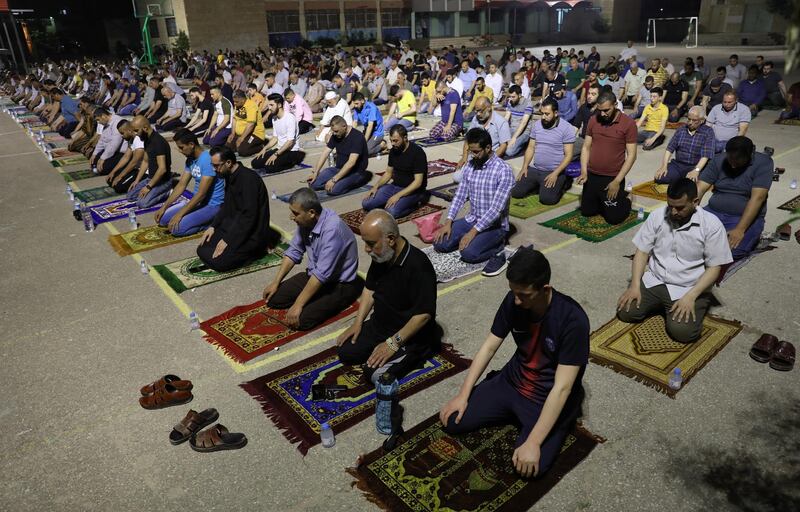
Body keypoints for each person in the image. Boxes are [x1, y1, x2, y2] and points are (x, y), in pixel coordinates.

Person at [440, 247, 589, 478]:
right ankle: (503, 404)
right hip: (512, 382)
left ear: (545, 289)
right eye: (513, 292)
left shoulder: (572, 320)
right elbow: (489, 346)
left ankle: (564, 417)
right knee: (452, 421)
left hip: (544, 397)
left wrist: (534, 442)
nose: (516, 300)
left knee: (529, 467)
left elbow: (562, 387)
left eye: (524, 295)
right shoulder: (514, 300)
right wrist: (463, 394)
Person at [336, 208, 440, 391]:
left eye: (370, 243)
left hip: (409, 336)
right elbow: (369, 288)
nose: (366, 250)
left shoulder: (418, 265)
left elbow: (424, 315)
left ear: (390, 239)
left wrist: (393, 343)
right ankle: (380, 346)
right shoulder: (382, 255)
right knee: (345, 352)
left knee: (374, 374)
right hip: (381, 326)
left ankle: (419, 353)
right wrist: (358, 323)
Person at [617, 178, 732, 343]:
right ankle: (661, 305)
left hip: (688, 287)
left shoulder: (711, 225)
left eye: (680, 207)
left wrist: (691, 296)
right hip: (655, 280)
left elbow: (715, 268)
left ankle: (694, 303)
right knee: (626, 312)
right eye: (670, 206)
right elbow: (642, 252)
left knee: (683, 333)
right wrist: (635, 285)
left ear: (696, 202)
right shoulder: (658, 216)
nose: (673, 212)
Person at [263, 188, 363, 330]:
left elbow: (322, 274)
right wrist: (275, 282)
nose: (291, 217)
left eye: (295, 213)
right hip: (316, 275)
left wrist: (298, 304)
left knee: (301, 321)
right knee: (274, 300)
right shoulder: (305, 222)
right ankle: (314, 296)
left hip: (339, 284)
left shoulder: (332, 229)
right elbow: (294, 252)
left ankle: (343, 297)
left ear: (311, 213)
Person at [434, 128, 514, 275]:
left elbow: (496, 210)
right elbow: (460, 195)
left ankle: (498, 248)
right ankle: (475, 240)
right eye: (471, 151)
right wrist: (448, 221)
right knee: (440, 243)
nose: (473, 156)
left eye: (476, 151)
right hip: (472, 219)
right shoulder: (470, 166)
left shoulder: (504, 171)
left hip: (494, 226)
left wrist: (472, 233)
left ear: (488, 148)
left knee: (468, 254)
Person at [197, 146, 273, 272]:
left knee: (219, 262)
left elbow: (249, 217)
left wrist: (228, 240)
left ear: (228, 162)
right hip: (234, 226)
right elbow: (226, 206)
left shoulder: (249, 180)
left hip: (251, 232)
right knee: (202, 248)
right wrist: (213, 226)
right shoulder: (229, 175)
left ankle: (256, 252)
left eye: (217, 166)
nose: (214, 170)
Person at [697, 136, 772, 260]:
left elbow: (758, 198)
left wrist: (739, 229)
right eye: (730, 159)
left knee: (729, 254)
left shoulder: (763, 162)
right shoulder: (719, 160)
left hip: (743, 218)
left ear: (749, 155)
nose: (732, 165)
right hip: (713, 212)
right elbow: (700, 187)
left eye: (738, 160)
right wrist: (692, 214)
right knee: (688, 243)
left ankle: (754, 236)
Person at [578, 91, 637, 225]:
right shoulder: (593, 120)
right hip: (592, 175)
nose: (603, 114)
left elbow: (632, 155)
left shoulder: (628, 124)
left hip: (612, 177)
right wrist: (584, 171)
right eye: (600, 110)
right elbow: (586, 147)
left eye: (606, 110)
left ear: (615, 105)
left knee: (614, 219)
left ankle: (627, 197)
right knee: (587, 212)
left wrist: (617, 181)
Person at [153, 129, 225, 236]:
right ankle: (194, 218)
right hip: (197, 202)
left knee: (176, 229)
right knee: (163, 220)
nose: (180, 151)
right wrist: (165, 206)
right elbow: (181, 185)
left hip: (211, 205)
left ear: (191, 144)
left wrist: (180, 214)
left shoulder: (207, 160)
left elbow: (201, 194)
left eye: (181, 147)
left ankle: (210, 223)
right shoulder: (190, 160)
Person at [513, 98, 576, 204]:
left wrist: (555, 173)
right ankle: (538, 185)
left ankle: (563, 182)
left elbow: (569, 155)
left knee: (547, 200)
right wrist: (524, 167)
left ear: (556, 113)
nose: (543, 117)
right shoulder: (537, 125)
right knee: (515, 192)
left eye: (547, 114)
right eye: (542, 113)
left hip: (554, 171)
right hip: (536, 169)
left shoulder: (566, 128)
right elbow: (530, 147)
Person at [363, 125, 428, 218]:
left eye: (395, 141)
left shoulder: (417, 153)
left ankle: (414, 205)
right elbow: (388, 173)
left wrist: (398, 196)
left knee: (391, 211)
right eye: (391, 140)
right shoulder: (394, 151)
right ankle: (394, 202)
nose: (392, 144)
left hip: (414, 191)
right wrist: (375, 187)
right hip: (395, 186)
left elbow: (418, 183)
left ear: (405, 138)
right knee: (366, 203)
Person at [308, 115, 372, 195]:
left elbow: (351, 163)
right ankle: (336, 182)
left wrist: (334, 180)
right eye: (333, 131)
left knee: (333, 190)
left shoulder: (357, 137)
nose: (334, 133)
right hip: (338, 168)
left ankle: (356, 181)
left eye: (336, 131)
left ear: (344, 126)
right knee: (313, 184)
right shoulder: (335, 135)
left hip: (355, 171)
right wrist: (316, 172)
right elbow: (325, 153)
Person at [654, 106, 715, 185]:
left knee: (695, 183)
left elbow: (706, 155)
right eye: (689, 119)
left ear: (702, 120)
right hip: (678, 164)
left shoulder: (708, 132)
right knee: (660, 178)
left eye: (694, 120)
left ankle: (684, 179)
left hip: (696, 165)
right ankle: (681, 177)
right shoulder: (681, 129)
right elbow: (669, 149)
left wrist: (696, 170)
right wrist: (664, 166)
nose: (690, 122)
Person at [250, 93, 305, 174]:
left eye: (271, 105)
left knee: (269, 167)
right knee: (255, 163)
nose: (269, 108)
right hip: (280, 149)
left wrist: (276, 154)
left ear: (279, 105)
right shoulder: (274, 118)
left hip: (291, 151)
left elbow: (290, 142)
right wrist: (264, 149)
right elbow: (275, 138)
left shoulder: (290, 118)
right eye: (268, 105)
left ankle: (293, 162)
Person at [457, 97, 512, 176]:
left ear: (489, 108)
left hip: (490, 157)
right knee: (458, 176)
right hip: (475, 155)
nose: (478, 114)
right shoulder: (476, 119)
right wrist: (464, 157)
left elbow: (503, 145)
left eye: (480, 111)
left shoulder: (501, 122)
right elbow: (468, 139)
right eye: (476, 111)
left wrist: (491, 161)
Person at [127, 115, 173, 208]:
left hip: (163, 181)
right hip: (151, 178)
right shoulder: (146, 139)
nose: (135, 134)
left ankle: (168, 191)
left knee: (142, 203)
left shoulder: (158, 142)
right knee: (130, 196)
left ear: (145, 128)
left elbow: (162, 169)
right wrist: (137, 180)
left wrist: (148, 187)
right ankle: (152, 191)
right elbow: (145, 161)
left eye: (136, 130)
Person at [106, 120, 145, 194]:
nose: (121, 136)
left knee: (118, 186)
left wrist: (120, 176)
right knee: (110, 179)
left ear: (129, 130)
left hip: (144, 171)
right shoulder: (131, 140)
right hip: (136, 169)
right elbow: (126, 157)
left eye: (122, 133)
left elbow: (134, 162)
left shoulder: (139, 140)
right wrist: (113, 172)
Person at [226, 90, 265, 157]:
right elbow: (234, 119)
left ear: (243, 99)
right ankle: (241, 144)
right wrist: (232, 133)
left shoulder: (251, 106)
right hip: (241, 134)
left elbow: (251, 124)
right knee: (227, 147)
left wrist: (241, 138)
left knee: (243, 151)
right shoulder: (238, 105)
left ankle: (261, 146)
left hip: (254, 134)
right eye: (234, 101)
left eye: (236, 102)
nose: (234, 103)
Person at [90, 107, 126, 175]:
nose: (99, 122)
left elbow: (115, 143)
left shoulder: (117, 122)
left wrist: (103, 158)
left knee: (104, 167)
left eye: (98, 120)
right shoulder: (106, 123)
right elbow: (102, 140)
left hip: (120, 152)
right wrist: (95, 154)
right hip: (110, 150)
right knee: (94, 160)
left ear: (103, 116)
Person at [503, 85, 534, 158]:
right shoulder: (510, 102)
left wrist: (514, 138)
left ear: (519, 95)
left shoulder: (527, 103)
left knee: (509, 152)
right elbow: (506, 118)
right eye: (510, 96)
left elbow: (523, 123)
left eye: (513, 97)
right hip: (512, 129)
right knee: (498, 145)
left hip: (524, 131)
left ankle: (522, 146)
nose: (511, 99)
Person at [351, 92, 386, 156]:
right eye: (354, 104)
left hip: (377, 133)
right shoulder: (357, 108)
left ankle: (382, 145)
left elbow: (370, 126)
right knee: (355, 148)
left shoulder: (371, 107)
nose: (355, 106)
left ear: (362, 101)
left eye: (356, 103)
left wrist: (364, 141)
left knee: (366, 151)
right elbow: (355, 123)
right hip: (367, 131)